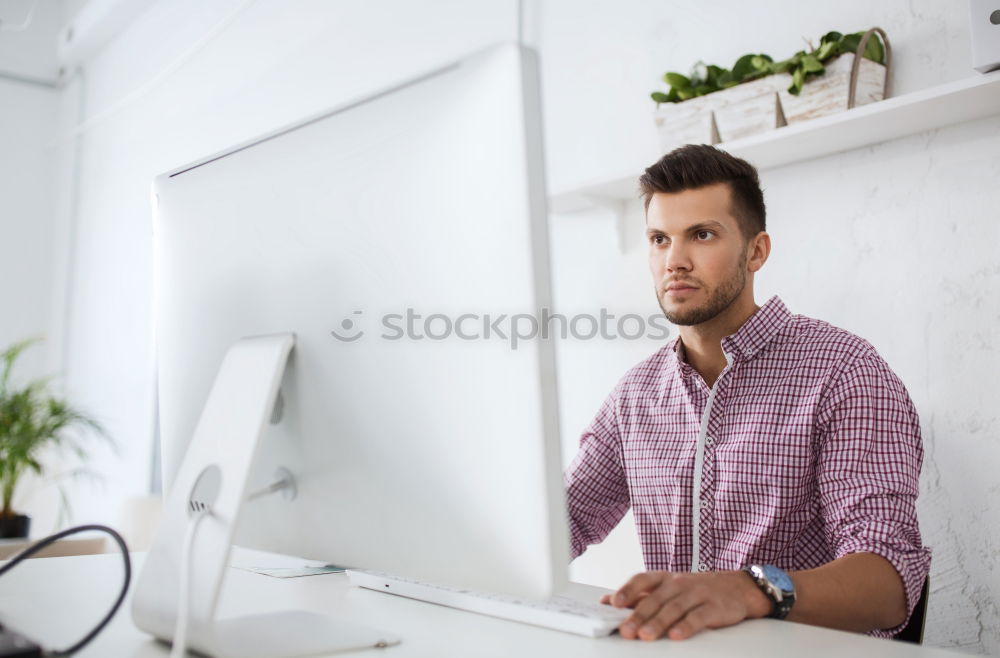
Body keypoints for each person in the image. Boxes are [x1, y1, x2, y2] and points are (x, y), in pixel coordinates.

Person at [564, 144, 931, 642]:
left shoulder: (845, 373)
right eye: (659, 239)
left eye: (702, 235)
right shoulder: (636, 394)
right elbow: (563, 520)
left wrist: (750, 590)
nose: (675, 260)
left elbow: (888, 584)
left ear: (756, 250)